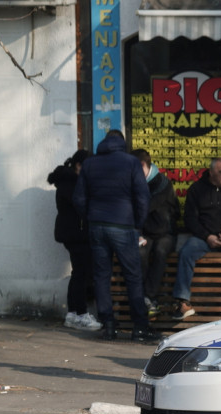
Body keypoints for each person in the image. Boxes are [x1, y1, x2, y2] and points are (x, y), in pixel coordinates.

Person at [72, 130, 160, 342]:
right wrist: (137, 224)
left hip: (97, 226)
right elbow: (142, 197)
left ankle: (108, 326)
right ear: (122, 143)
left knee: (102, 277)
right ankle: (139, 327)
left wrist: (90, 218)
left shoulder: (90, 164)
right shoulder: (131, 162)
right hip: (123, 226)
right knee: (133, 276)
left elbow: (79, 198)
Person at [171, 157, 221, 319]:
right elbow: (190, 219)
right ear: (211, 172)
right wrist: (207, 236)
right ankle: (183, 301)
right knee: (186, 252)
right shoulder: (197, 189)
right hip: (204, 239)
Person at [48, 149, 101, 332]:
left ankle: (72, 314)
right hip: (75, 234)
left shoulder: (71, 181)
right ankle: (80, 314)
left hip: (75, 233)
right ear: (78, 165)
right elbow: (82, 205)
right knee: (81, 274)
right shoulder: (70, 183)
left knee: (78, 273)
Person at [131, 149, 179, 317]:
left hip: (166, 233)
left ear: (142, 165)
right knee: (140, 253)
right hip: (145, 233)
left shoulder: (162, 183)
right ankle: (148, 299)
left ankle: (148, 296)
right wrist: (138, 233)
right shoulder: (135, 182)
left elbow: (144, 207)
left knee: (160, 251)